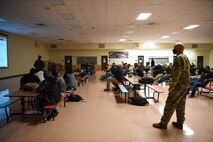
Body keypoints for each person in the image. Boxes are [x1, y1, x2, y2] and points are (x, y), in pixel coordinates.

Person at [153, 43, 190, 130]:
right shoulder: (185, 57)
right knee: (181, 104)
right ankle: (180, 122)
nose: (173, 50)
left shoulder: (178, 58)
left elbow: (177, 74)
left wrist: (172, 86)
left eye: (175, 48)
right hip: (185, 85)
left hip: (178, 85)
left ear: (180, 48)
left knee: (170, 103)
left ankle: (163, 123)